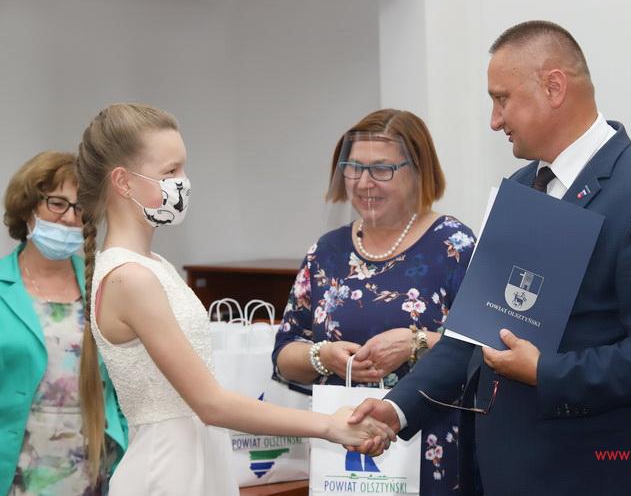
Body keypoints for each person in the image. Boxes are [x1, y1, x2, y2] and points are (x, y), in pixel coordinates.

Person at [348, 21, 631, 496]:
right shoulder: (522, 188)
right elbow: (473, 332)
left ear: (554, 87)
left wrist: (545, 372)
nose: (495, 120)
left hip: (592, 478)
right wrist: (397, 409)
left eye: (502, 99)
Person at [75, 103, 394, 496]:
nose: (183, 182)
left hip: (195, 455)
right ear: (123, 182)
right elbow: (210, 403)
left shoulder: (154, 266)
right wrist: (329, 424)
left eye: (183, 169)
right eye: (170, 171)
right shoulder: (131, 278)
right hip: (168, 468)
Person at [273, 108, 476, 494]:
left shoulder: (454, 245)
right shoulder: (326, 252)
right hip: (343, 461)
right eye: (353, 168)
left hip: (431, 452)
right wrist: (323, 356)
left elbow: (482, 352)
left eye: (381, 169)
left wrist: (415, 343)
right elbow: (284, 354)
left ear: (418, 170)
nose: (364, 183)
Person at [0, 151, 128, 495]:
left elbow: (125, 381)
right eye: (57, 203)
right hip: (17, 472)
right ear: (27, 208)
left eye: (80, 207)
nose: (70, 218)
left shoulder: (103, 285)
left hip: (93, 472)